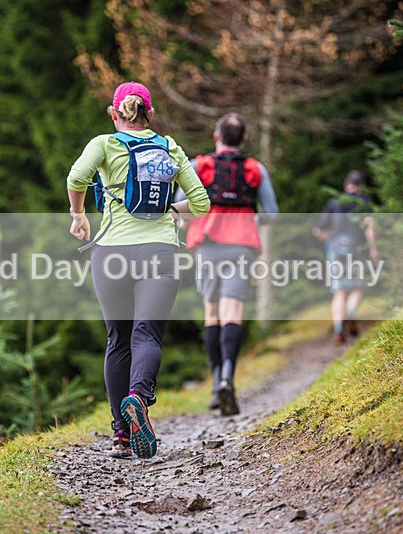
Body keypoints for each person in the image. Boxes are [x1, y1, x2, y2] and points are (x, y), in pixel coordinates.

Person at [66, 82, 210, 459]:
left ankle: (121, 435)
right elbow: (201, 203)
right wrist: (168, 212)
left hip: (111, 253)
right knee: (147, 335)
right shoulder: (170, 147)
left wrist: (79, 215)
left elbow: (75, 178)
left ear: (114, 114)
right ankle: (139, 397)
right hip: (161, 252)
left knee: (118, 339)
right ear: (151, 114)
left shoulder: (103, 144)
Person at [177, 112, 279, 416]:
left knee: (212, 312)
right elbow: (271, 214)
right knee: (233, 311)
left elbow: (182, 208)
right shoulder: (255, 168)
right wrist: (247, 220)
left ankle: (214, 383)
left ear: (215, 136)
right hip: (242, 246)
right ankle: (227, 378)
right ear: (244, 140)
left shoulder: (198, 167)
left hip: (208, 244)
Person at [312, 170, 378, 345]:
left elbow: (318, 230)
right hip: (357, 248)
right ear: (361, 186)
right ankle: (349, 312)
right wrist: (373, 250)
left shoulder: (334, 203)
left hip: (336, 249)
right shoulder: (364, 202)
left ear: (345, 186)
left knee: (339, 291)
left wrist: (330, 240)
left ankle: (338, 329)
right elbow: (369, 225)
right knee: (359, 286)